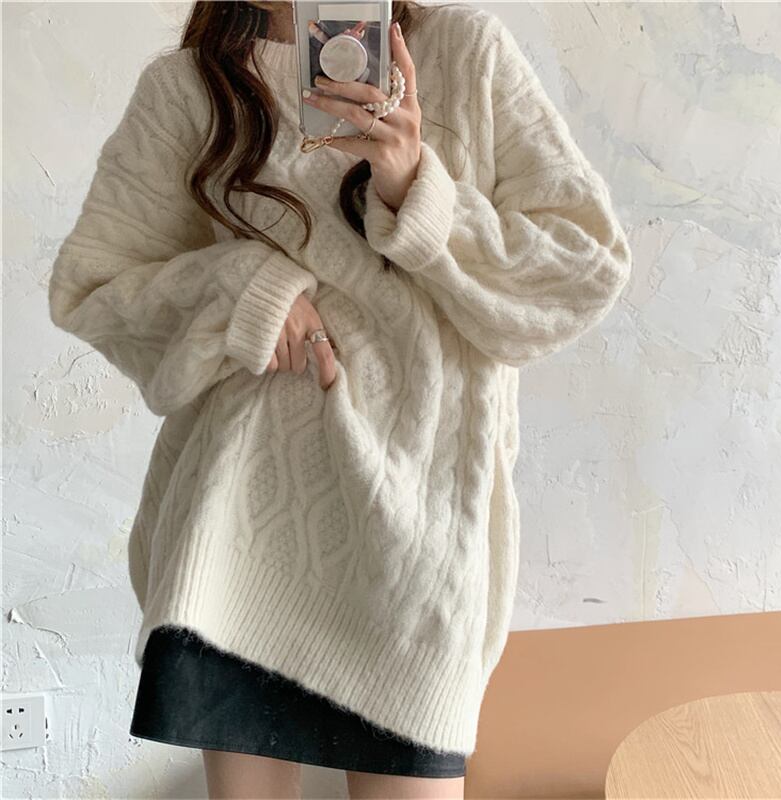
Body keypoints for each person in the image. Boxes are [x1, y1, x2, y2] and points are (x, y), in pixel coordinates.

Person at [47, 1, 632, 797]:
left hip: (419, 537)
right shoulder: (188, 88)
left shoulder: (466, 54)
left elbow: (584, 267)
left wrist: (417, 188)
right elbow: (94, 287)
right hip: (236, 537)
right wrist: (245, 288)